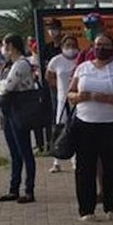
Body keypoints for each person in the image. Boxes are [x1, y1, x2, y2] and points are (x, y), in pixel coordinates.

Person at [67, 33, 113, 220]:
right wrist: (79, 97)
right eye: (98, 45)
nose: (101, 49)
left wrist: (108, 99)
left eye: (105, 45)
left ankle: (111, 207)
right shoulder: (83, 68)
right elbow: (70, 93)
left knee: (112, 167)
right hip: (85, 124)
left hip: (112, 125)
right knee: (85, 168)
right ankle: (86, 210)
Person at [0, 34, 38, 204]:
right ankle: (14, 188)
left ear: (11, 46)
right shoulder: (9, 65)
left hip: (20, 110)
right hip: (9, 110)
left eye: (4, 45)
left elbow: (7, 86)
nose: (2, 49)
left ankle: (29, 190)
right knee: (14, 152)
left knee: (25, 151)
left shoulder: (21, 64)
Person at [45, 34, 79, 173]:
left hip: (77, 100)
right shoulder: (56, 60)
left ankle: (75, 160)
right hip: (62, 101)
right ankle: (57, 160)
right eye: (67, 46)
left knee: (76, 130)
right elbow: (49, 76)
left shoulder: (80, 59)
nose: (70, 48)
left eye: (73, 45)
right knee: (60, 129)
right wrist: (59, 86)